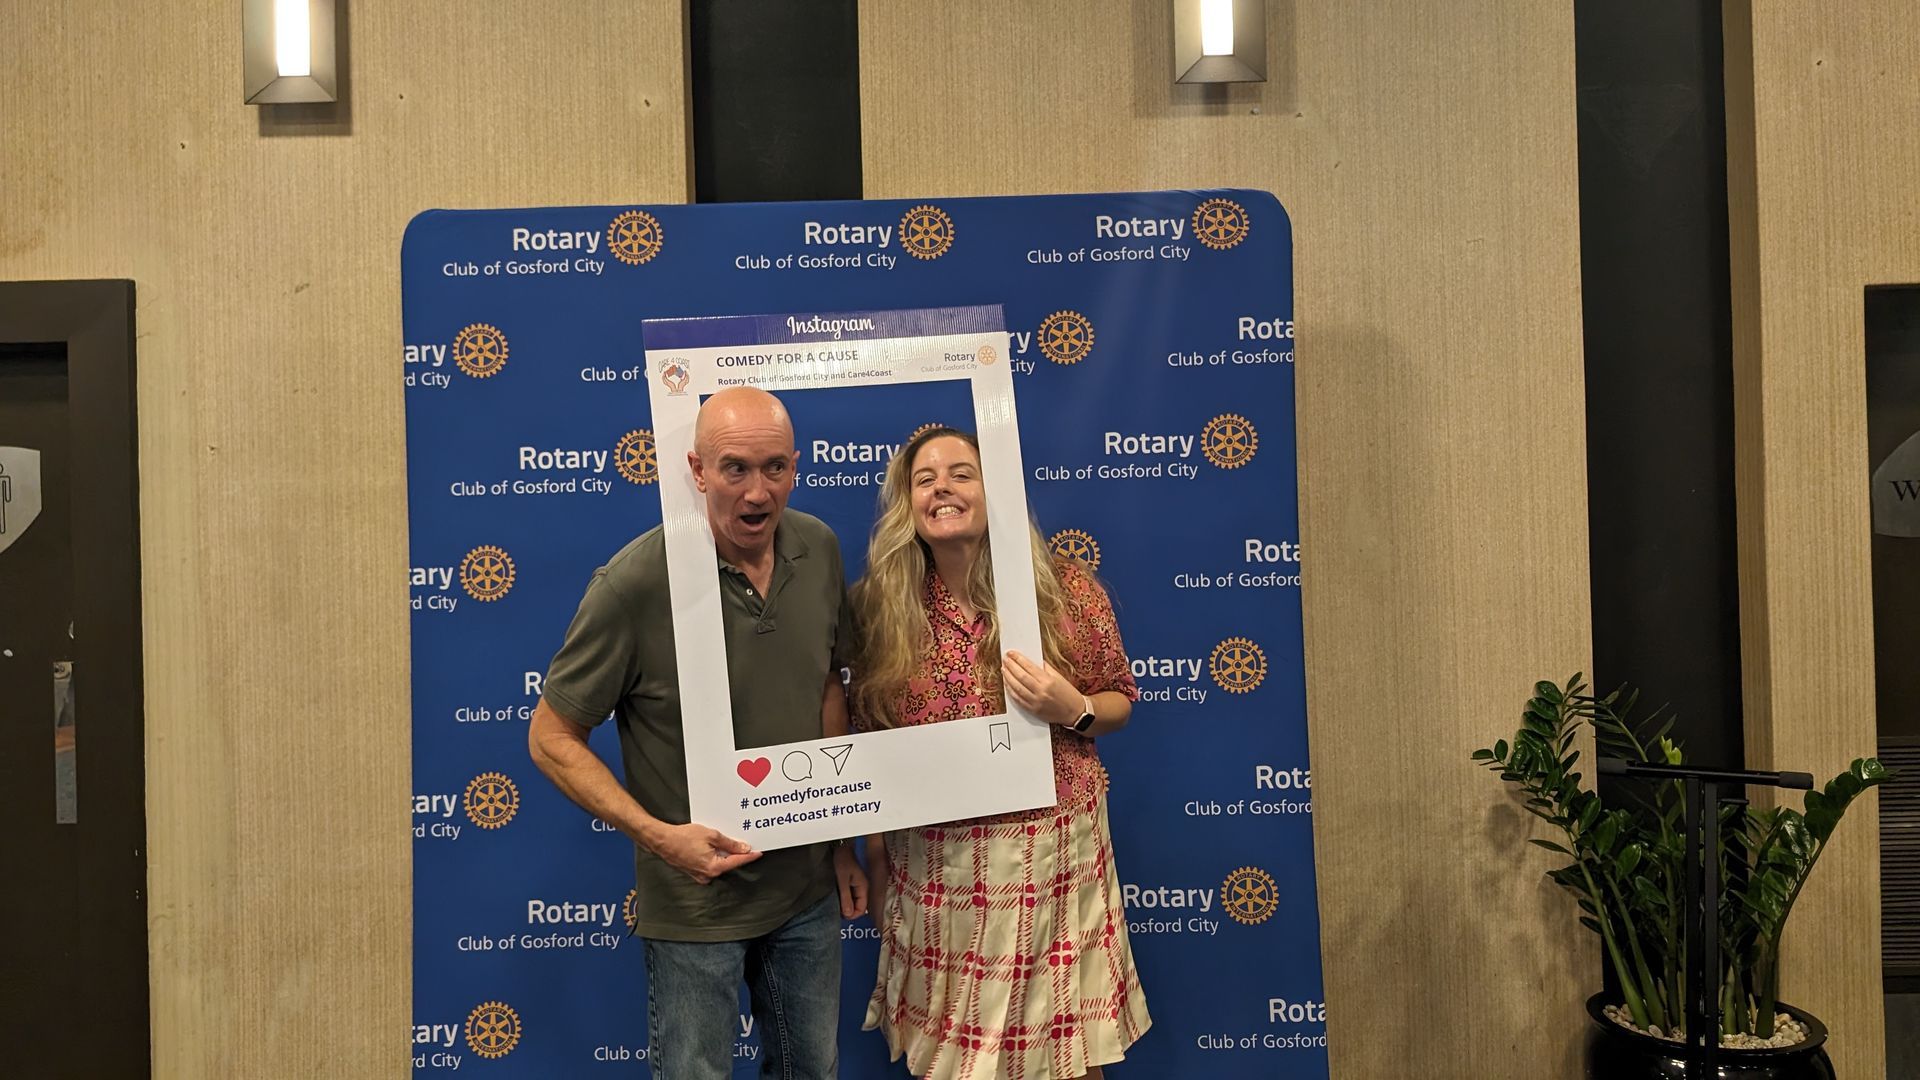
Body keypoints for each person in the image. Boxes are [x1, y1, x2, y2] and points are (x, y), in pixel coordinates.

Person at [528, 386, 869, 1080]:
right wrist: (659, 837)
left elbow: (830, 685)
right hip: (695, 907)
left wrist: (840, 845)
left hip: (805, 894)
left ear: (797, 467)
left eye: (774, 467)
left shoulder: (820, 547)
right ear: (697, 469)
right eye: (735, 468)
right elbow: (551, 737)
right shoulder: (634, 583)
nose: (756, 492)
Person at [850, 426, 1151, 1080]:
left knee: (1066, 1050)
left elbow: (1119, 699)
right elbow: (869, 747)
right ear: (908, 504)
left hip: (1053, 851)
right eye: (925, 479)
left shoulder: (1064, 589)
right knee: (955, 1059)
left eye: (962, 473)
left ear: (994, 491)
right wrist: (873, 862)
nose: (944, 488)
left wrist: (1071, 707)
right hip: (935, 864)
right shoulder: (877, 608)